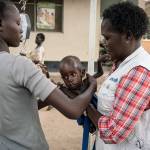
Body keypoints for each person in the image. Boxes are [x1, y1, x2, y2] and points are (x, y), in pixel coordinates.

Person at [0, 0, 97, 150]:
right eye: (18, 23)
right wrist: (92, 86)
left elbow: (19, 107)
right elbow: (73, 110)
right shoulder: (19, 65)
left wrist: (50, 97)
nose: (21, 30)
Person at [86, 2, 150, 150]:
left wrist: (87, 108)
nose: (104, 43)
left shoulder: (139, 72)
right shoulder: (122, 63)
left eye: (107, 38)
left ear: (128, 36)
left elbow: (113, 132)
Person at [58, 55, 110, 150]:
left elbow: (99, 73)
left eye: (73, 74)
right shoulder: (65, 90)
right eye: (65, 77)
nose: (69, 79)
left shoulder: (87, 83)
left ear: (82, 73)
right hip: (84, 118)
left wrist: (99, 62)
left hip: (96, 113)